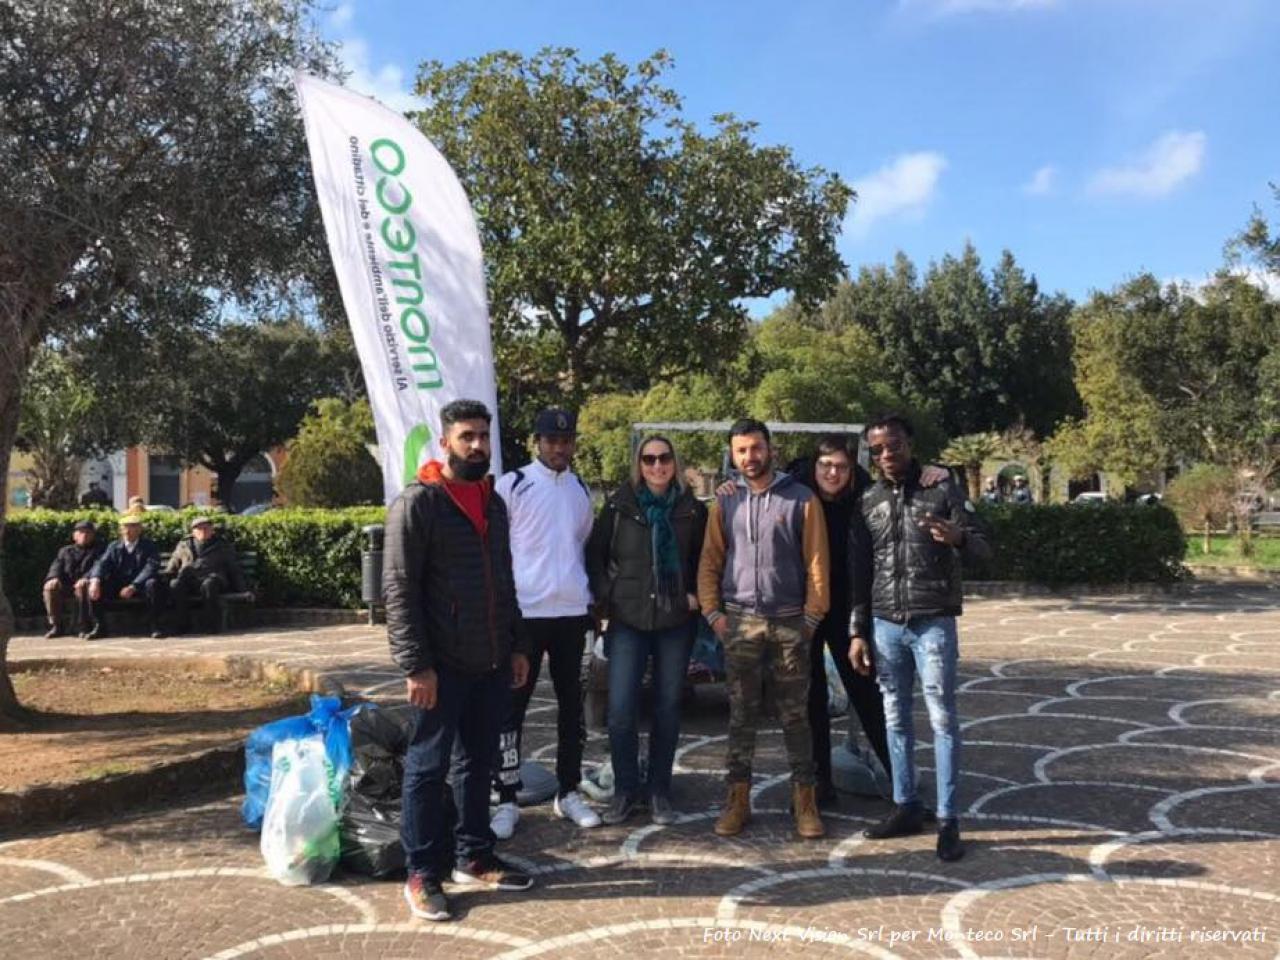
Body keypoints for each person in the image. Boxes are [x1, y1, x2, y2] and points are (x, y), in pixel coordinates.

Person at [384, 398, 534, 922]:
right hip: (440, 667)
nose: (477, 445)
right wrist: (415, 665)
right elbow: (399, 591)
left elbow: (505, 580)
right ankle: (422, 871)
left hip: (491, 661)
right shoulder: (417, 504)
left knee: (478, 764)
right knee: (426, 769)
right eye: (467, 436)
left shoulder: (493, 503)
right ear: (445, 441)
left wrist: (515, 646)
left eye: (483, 436)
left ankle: (474, 853)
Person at [848, 412, 991, 862]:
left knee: (943, 718)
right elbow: (861, 571)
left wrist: (959, 539)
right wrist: (858, 630)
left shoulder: (941, 487)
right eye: (877, 449)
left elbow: (986, 549)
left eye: (893, 445)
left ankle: (948, 819)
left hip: (932, 621)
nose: (887, 455)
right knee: (895, 717)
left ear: (910, 443)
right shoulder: (868, 499)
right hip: (886, 623)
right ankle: (905, 804)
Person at [698, 418, 829, 840]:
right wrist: (714, 614)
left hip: (790, 621)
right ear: (732, 455)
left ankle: (804, 802)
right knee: (741, 717)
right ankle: (737, 801)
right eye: (741, 450)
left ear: (769, 449)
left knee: (796, 717)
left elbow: (816, 562)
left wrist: (812, 616)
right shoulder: (726, 501)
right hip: (741, 622)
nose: (749, 457)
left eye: (756, 448)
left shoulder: (801, 498)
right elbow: (711, 560)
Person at [489, 408, 601, 838]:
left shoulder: (579, 488)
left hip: (572, 615)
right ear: (538, 441)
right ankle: (507, 798)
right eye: (551, 440)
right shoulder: (512, 485)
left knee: (572, 708)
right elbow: (498, 552)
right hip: (525, 618)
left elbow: (581, 546)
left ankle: (568, 791)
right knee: (511, 710)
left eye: (567, 439)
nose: (559, 447)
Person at [586, 435, 708, 826]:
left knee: (667, 708)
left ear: (676, 461)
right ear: (638, 464)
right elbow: (595, 557)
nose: (657, 466)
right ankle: (625, 789)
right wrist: (609, 597)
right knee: (621, 710)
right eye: (649, 459)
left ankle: (658, 790)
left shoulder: (691, 509)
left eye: (664, 458)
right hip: (629, 620)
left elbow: (707, 560)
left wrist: (696, 596)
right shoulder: (621, 506)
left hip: (675, 621)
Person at [165, 517, 251, 634]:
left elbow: (233, 568)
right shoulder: (184, 544)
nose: (203, 531)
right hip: (190, 579)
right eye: (199, 528)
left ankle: (211, 625)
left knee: (209, 584)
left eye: (206, 528)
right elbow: (173, 563)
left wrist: (243, 590)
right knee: (176, 584)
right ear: (193, 531)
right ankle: (182, 624)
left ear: (212, 530)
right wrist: (166, 578)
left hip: (214, 578)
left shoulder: (221, 545)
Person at [86, 514, 166, 639]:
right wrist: (95, 580)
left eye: (132, 526)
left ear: (139, 529)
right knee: (95, 587)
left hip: (140, 586)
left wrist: (133, 586)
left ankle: (154, 626)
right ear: (120, 530)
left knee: (153, 584)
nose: (127, 530)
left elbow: (150, 567)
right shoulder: (113, 546)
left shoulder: (149, 546)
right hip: (118, 585)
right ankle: (99, 626)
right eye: (124, 527)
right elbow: (102, 563)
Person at [42, 520, 104, 638]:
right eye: (80, 532)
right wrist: (53, 578)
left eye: (88, 533)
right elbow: (56, 566)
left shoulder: (99, 550)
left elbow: (99, 566)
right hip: (67, 585)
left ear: (93, 535)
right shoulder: (65, 551)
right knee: (50, 587)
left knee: (83, 586)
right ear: (74, 535)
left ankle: (82, 626)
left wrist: (86, 578)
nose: (84, 535)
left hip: (86, 585)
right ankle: (57, 625)